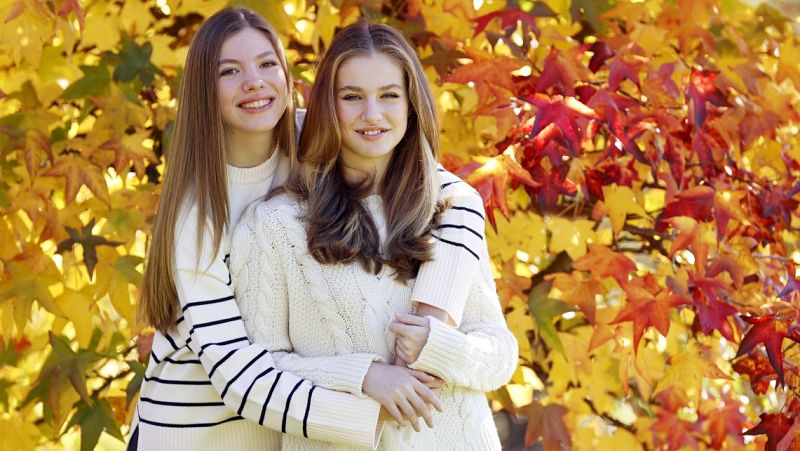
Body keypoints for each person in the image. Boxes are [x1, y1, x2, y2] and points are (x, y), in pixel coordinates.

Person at [131, 7, 488, 450]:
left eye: (267, 64)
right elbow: (238, 373)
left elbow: (454, 196)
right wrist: (371, 397)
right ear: (205, 90)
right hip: (196, 430)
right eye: (230, 71)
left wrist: (434, 312)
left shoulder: (316, 134)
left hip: (281, 425)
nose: (254, 82)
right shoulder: (200, 217)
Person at [230, 21, 518, 450]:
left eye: (388, 96)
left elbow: (499, 354)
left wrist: (438, 346)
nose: (372, 115)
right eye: (352, 98)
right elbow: (261, 372)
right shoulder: (275, 225)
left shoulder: (450, 210)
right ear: (329, 106)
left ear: (411, 104)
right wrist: (365, 376)